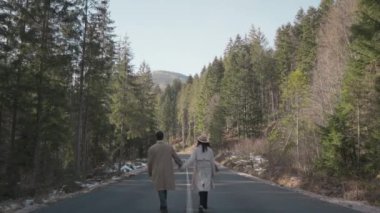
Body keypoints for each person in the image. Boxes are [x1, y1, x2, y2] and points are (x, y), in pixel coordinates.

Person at [148, 131, 182, 213]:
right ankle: (163, 204)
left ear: (156, 137)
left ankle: (163, 205)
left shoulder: (152, 148)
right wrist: (180, 164)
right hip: (167, 170)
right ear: (162, 137)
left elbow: (150, 162)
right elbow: (175, 157)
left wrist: (150, 172)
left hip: (157, 171)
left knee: (160, 188)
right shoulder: (169, 147)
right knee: (164, 187)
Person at [182, 134, 217, 212]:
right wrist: (213, 172)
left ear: (199, 142)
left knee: (201, 186)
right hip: (208, 168)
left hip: (199, 168)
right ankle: (204, 204)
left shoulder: (196, 150)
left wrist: (183, 166)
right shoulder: (210, 150)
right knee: (206, 186)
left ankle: (201, 204)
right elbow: (212, 162)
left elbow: (191, 160)